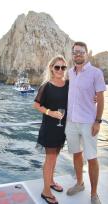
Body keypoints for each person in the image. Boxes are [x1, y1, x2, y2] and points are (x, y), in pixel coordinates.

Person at [65, 41, 106, 204]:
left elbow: (101, 98)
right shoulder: (70, 72)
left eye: (81, 52)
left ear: (86, 53)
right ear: (72, 54)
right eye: (75, 52)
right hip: (71, 121)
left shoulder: (96, 73)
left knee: (92, 157)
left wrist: (98, 121)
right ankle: (80, 183)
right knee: (76, 154)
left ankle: (94, 194)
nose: (78, 55)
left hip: (88, 122)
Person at [33, 55, 69, 204]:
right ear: (52, 68)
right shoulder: (46, 86)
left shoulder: (68, 84)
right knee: (50, 158)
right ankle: (46, 192)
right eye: (57, 67)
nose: (60, 70)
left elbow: (79, 96)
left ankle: (51, 182)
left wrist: (92, 98)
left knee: (55, 156)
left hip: (62, 128)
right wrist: (50, 112)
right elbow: (36, 105)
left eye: (63, 67)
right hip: (49, 127)